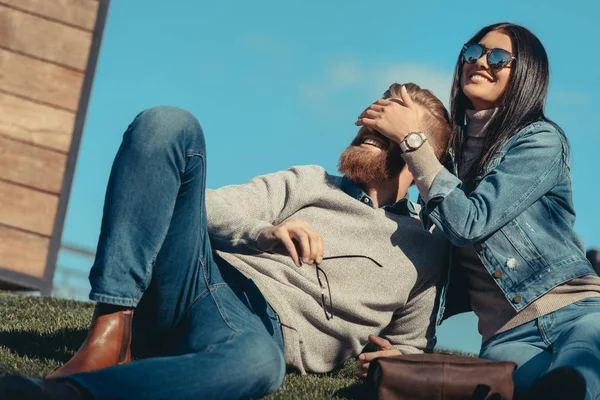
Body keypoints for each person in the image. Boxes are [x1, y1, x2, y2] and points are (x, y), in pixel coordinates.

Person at [0, 83, 451, 400]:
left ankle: (65, 394)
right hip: (196, 278)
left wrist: (392, 364)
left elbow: (409, 346)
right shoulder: (311, 182)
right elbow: (206, 204)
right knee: (168, 124)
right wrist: (262, 232)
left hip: (254, 331)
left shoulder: (426, 250)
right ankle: (112, 327)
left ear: (417, 149)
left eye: (385, 127)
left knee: (258, 364)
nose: (367, 128)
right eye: (370, 119)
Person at [357, 23, 600, 400]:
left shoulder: (539, 141)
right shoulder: (442, 157)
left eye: (499, 57)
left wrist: (412, 139)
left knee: (579, 376)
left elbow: (469, 222)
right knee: (511, 390)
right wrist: (406, 354)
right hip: (507, 336)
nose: (482, 62)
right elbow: (420, 245)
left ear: (526, 75)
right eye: (474, 52)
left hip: (576, 311)